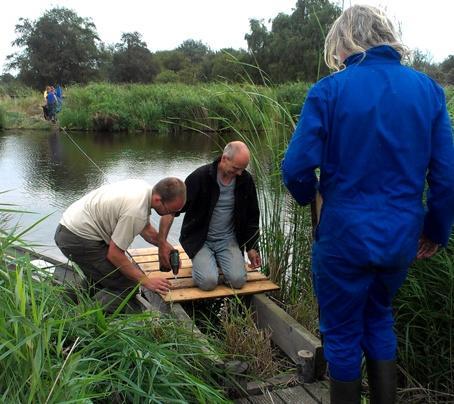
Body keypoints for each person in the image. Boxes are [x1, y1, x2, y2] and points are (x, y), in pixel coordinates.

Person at [281, 5, 454, 404]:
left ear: (345, 41)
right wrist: (434, 230)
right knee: (378, 317)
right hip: (400, 238)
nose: (337, 58)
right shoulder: (428, 90)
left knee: (341, 331)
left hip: (343, 235)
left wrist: (310, 195)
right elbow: (445, 177)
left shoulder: (329, 90)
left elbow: (295, 168)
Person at [54, 177, 186, 312]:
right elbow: (115, 254)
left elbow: (146, 229)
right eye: (171, 211)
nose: (172, 215)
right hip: (78, 239)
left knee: (103, 276)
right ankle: (88, 319)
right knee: (128, 284)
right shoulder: (136, 212)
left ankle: (62, 305)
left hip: (68, 229)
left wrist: (164, 245)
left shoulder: (143, 189)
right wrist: (147, 281)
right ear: (158, 200)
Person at [161, 141, 261, 291]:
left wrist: (252, 248)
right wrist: (162, 243)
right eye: (236, 168)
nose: (240, 173)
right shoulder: (200, 177)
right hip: (201, 240)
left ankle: (218, 261)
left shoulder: (245, 180)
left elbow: (252, 216)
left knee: (238, 281)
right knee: (208, 282)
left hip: (228, 240)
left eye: (242, 169)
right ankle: (203, 263)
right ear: (224, 159)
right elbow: (172, 209)